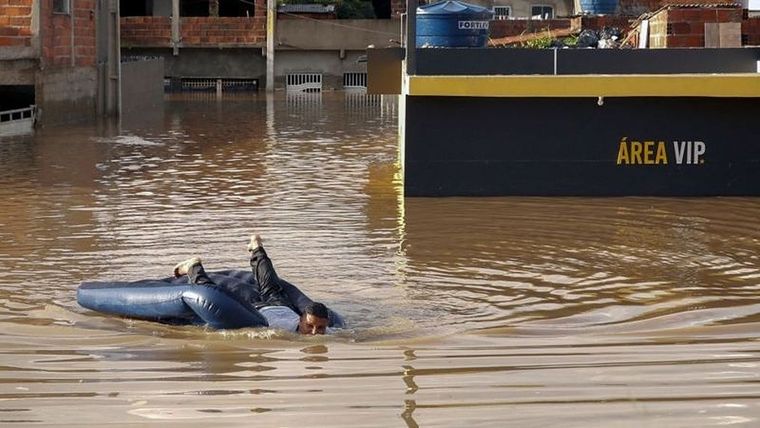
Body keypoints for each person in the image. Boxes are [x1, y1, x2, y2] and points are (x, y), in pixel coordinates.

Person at [172, 234, 330, 335]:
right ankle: (194, 268)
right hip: (258, 310)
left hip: (275, 307)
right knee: (217, 296)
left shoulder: (327, 331)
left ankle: (256, 247)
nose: (314, 333)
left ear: (326, 325)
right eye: (309, 326)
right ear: (301, 320)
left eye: (320, 328)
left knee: (269, 285)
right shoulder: (281, 332)